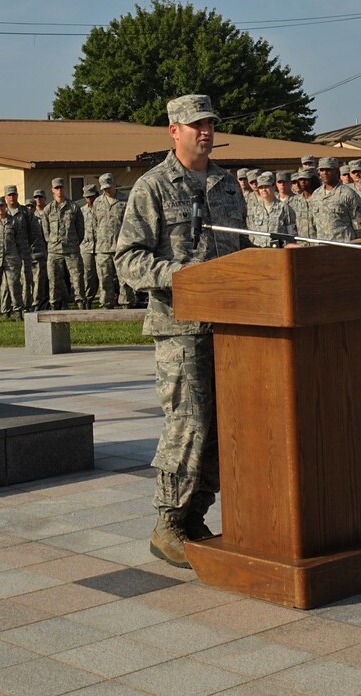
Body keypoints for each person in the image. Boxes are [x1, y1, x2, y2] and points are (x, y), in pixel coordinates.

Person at [112, 94, 247, 570]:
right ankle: (167, 521)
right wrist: (182, 275)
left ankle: (195, 514)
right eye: (195, 125)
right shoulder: (152, 187)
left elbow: (245, 252)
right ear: (173, 130)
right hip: (181, 328)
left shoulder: (229, 186)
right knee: (188, 425)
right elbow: (127, 258)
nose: (204, 132)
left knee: (221, 426)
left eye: (209, 123)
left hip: (232, 327)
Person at [42, 178, 88, 308]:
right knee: (54, 280)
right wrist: (53, 242)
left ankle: (80, 304)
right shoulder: (48, 210)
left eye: (61, 187)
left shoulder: (74, 207)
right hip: (54, 251)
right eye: (56, 188)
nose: (59, 190)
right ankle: (55, 305)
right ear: (52, 190)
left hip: (72, 250)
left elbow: (81, 231)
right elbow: (46, 232)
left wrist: (72, 242)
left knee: (77, 278)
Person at [87, 174, 129, 308]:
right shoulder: (98, 202)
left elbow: (130, 223)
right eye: (105, 188)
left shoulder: (125, 200)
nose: (108, 190)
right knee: (105, 279)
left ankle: (127, 303)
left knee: (124, 279)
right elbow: (94, 224)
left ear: (114, 184)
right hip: (103, 249)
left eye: (109, 187)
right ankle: (107, 303)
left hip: (121, 247)